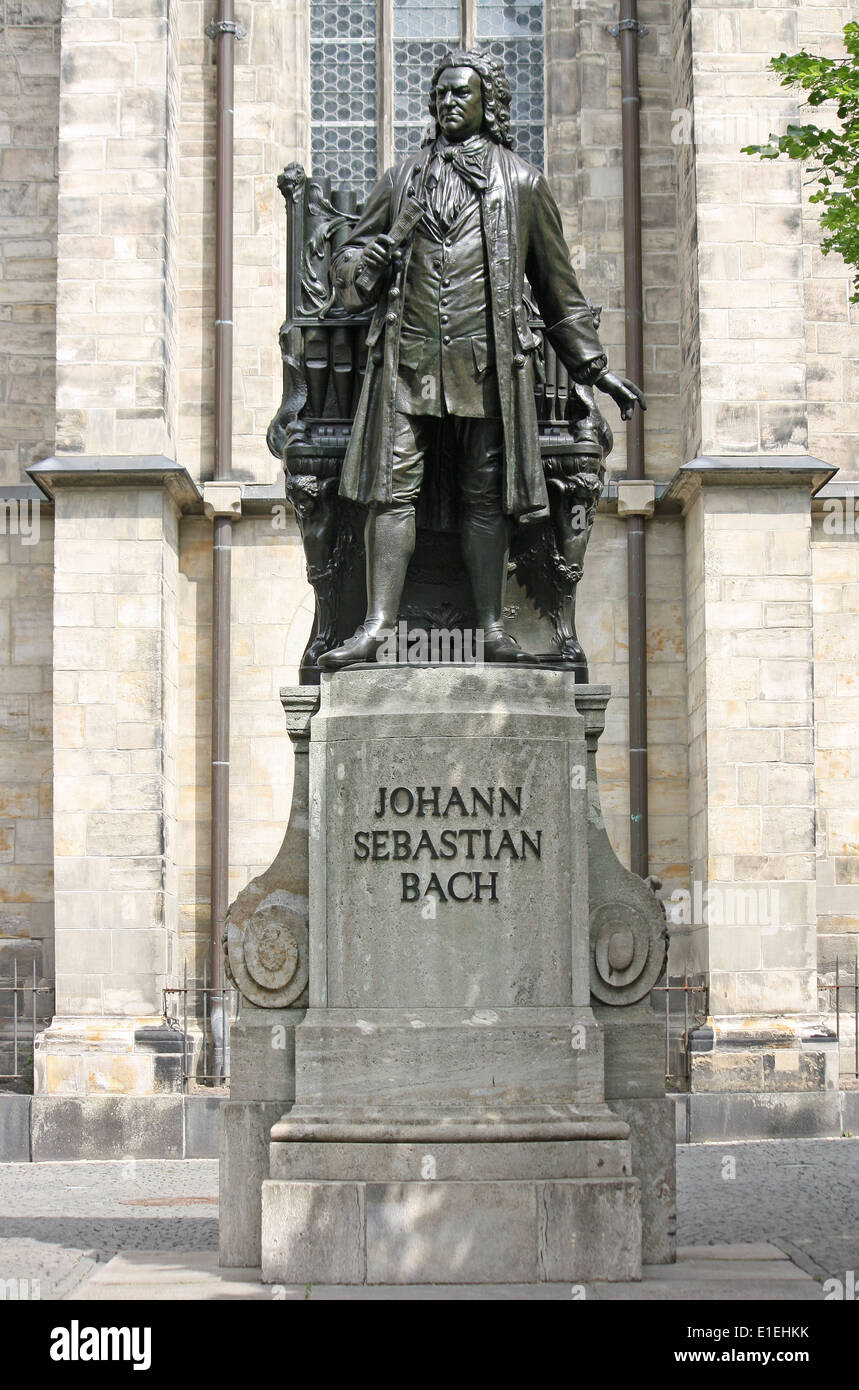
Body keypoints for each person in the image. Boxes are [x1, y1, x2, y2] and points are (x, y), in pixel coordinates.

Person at [318, 48, 645, 670]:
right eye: (439, 93)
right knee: (390, 489)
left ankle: (492, 628)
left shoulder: (522, 183)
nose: (446, 103)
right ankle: (378, 625)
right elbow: (349, 271)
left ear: (486, 103)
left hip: (488, 365)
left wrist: (596, 370)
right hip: (407, 362)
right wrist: (375, 253)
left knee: (486, 493)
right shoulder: (401, 178)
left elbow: (558, 290)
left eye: (459, 93)